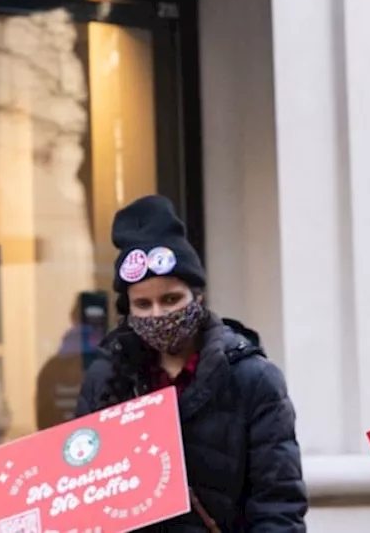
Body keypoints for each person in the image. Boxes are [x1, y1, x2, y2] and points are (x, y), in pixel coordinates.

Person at [75, 195, 306, 532]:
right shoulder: (104, 378)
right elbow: (81, 495)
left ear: (198, 297)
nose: (158, 314)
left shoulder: (253, 380)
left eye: (171, 299)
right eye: (143, 304)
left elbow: (279, 505)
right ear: (129, 310)